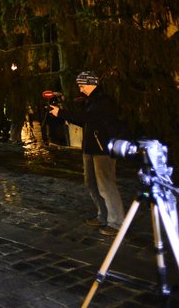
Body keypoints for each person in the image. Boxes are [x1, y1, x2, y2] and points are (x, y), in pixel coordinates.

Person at [49, 70, 126, 236]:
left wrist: (62, 113)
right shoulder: (90, 101)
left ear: (91, 84)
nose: (80, 88)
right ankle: (103, 217)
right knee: (91, 183)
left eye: (81, 85)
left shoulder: (104, 101)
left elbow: (89, 118)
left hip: (102, 150)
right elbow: (83, 120)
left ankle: (117, 222)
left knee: (106, 185)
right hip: (90, 148)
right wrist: (61, 114)